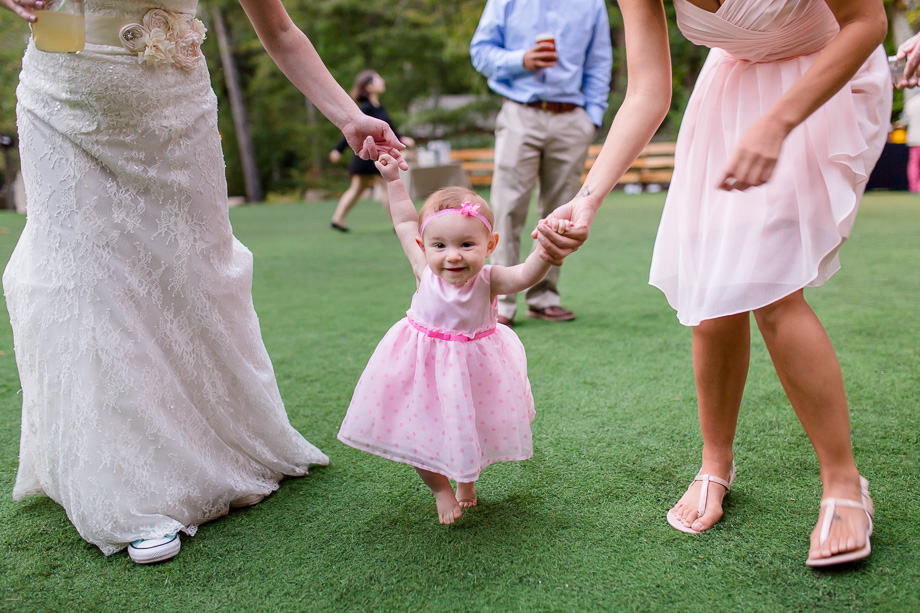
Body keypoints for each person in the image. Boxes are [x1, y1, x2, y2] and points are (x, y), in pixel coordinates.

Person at [1, 0, 406, 564]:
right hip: (63, 100)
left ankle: (218, 442)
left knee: (193, 271)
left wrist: (348, 117)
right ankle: (130, 492)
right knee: (87, 277)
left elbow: (280, 30)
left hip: (175, 112)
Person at [534, 0, 889, 567]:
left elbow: (867, 22)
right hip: (731, 96)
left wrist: (777, 122)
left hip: (823, 81)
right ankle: (715, 463)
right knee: (712, 289)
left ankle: (844, 482)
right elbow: (648, 91)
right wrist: (588, 198)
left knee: (772, 287)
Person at [337, 153, 563, 524]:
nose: (452, 256)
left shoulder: (490, 279)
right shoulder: (423, 269)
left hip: (472, 371)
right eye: (439, 246)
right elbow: (405, 219)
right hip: (421, 367)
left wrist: (545, 253)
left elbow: (525, 275)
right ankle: (441, 489)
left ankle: (466, 483)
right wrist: (393, 180)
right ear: (423, 245)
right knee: (421, 433)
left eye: (466, 245)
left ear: (490, 244)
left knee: (466, 427)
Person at [469, 0, 612, 326]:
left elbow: (599, 62)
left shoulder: (592, 4)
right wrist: (521, 60)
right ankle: (501, 302)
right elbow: (480, 52)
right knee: (507, 207)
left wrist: (592, 117)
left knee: (560, 211)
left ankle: (544, 297)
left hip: (572, 118)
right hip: (520, 112)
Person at [329, 70, 415, 232]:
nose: (382, 81)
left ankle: (337, 219)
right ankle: (398, 223)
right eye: (378, 79)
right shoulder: (366, 108)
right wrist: (338, 149)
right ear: (369, 87)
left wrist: (401, 138)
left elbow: (389, 129)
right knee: (386, 187)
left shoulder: (379, 107)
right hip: (370, 155)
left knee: (358, 188)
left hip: (372, 154)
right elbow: (353, 131)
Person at [904, 90, 920, 193]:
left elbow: (905, 120)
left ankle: (914, 186)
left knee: (914, 163)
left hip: (914, 138)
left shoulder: (910, 102)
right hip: (915, 137)